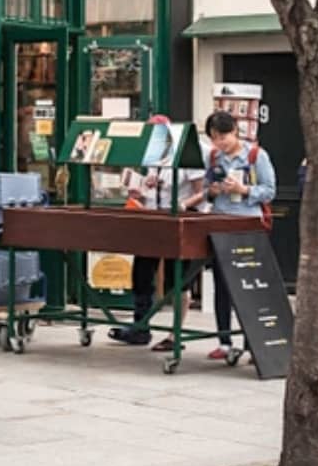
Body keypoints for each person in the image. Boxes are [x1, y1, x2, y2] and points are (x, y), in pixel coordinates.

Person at [107, 117, 205, 349]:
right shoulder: (151, 156)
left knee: (176, 279)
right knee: (141, 272)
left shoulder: (186, 155)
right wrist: (139, 189)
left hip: (177, 220)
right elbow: (147, 190)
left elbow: (201, 192)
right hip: (151, 219)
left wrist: (182, 205)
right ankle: (140, 327)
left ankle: (175, 335)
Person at [197, 111, 275, 361]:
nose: (220, 143)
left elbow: (269, 191)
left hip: (247, 223)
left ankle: (253, 343)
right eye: (214, 138)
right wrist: (214, 190)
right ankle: (224, 340)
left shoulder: (255, 156)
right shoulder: (213, 157)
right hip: (220, 221)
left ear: (235, 132)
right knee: (222, 285)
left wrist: (243, 190)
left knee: (249, 286)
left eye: (223, 137)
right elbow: (207, 191)